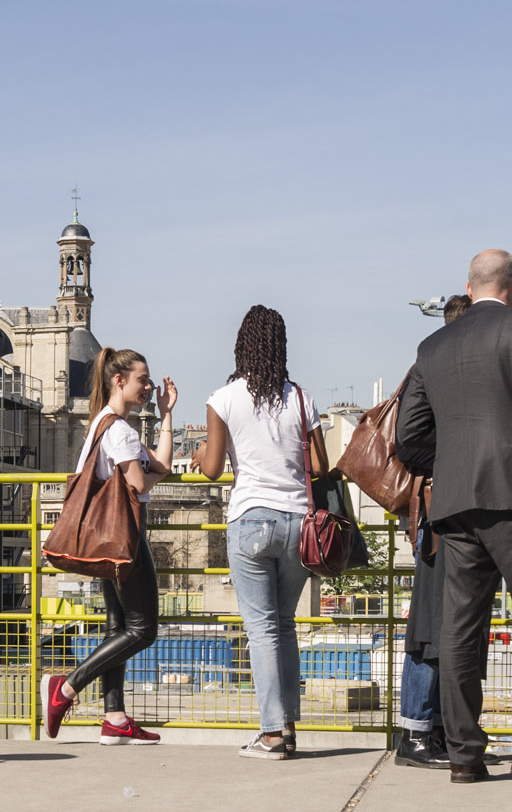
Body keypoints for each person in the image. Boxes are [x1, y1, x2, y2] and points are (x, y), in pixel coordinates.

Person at [396, 249, 512, 789]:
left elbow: (408, 436)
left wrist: (454, 459)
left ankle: (463, 754)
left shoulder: (432, 345)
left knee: (460, 626)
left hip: (455, 504)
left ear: (468, 284)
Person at [194, 305, 327, 760]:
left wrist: (199, 456)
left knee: (263, 630)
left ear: (241, 344)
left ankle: (271, 734)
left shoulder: (223, 398)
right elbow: (319, 466)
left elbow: (212, 471)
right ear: (280, 346)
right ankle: (287, 726)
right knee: (285, 627)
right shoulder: (301, 398)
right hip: (298, 524)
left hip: (250, 518)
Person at [45, 348, 178, 745]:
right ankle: (65, 687)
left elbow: (163, 465)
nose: (149, 386)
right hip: (124, 537)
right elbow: (139, 484)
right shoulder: (119, 429)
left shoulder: (102, 424)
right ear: (119, 380)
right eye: (143, 380)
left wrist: (166, 412)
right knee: (144, 630)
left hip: (108, 539)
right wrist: (146, 481)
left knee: (118, 628)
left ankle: (115, 718)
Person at [393, 292, 470, 771]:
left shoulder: (429, 365)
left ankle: (431, 730)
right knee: (430, 630)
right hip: (442, 516)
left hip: (435, 515)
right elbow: (409, 442)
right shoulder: (445, 370)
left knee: (438, 627)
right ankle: (419, 733)